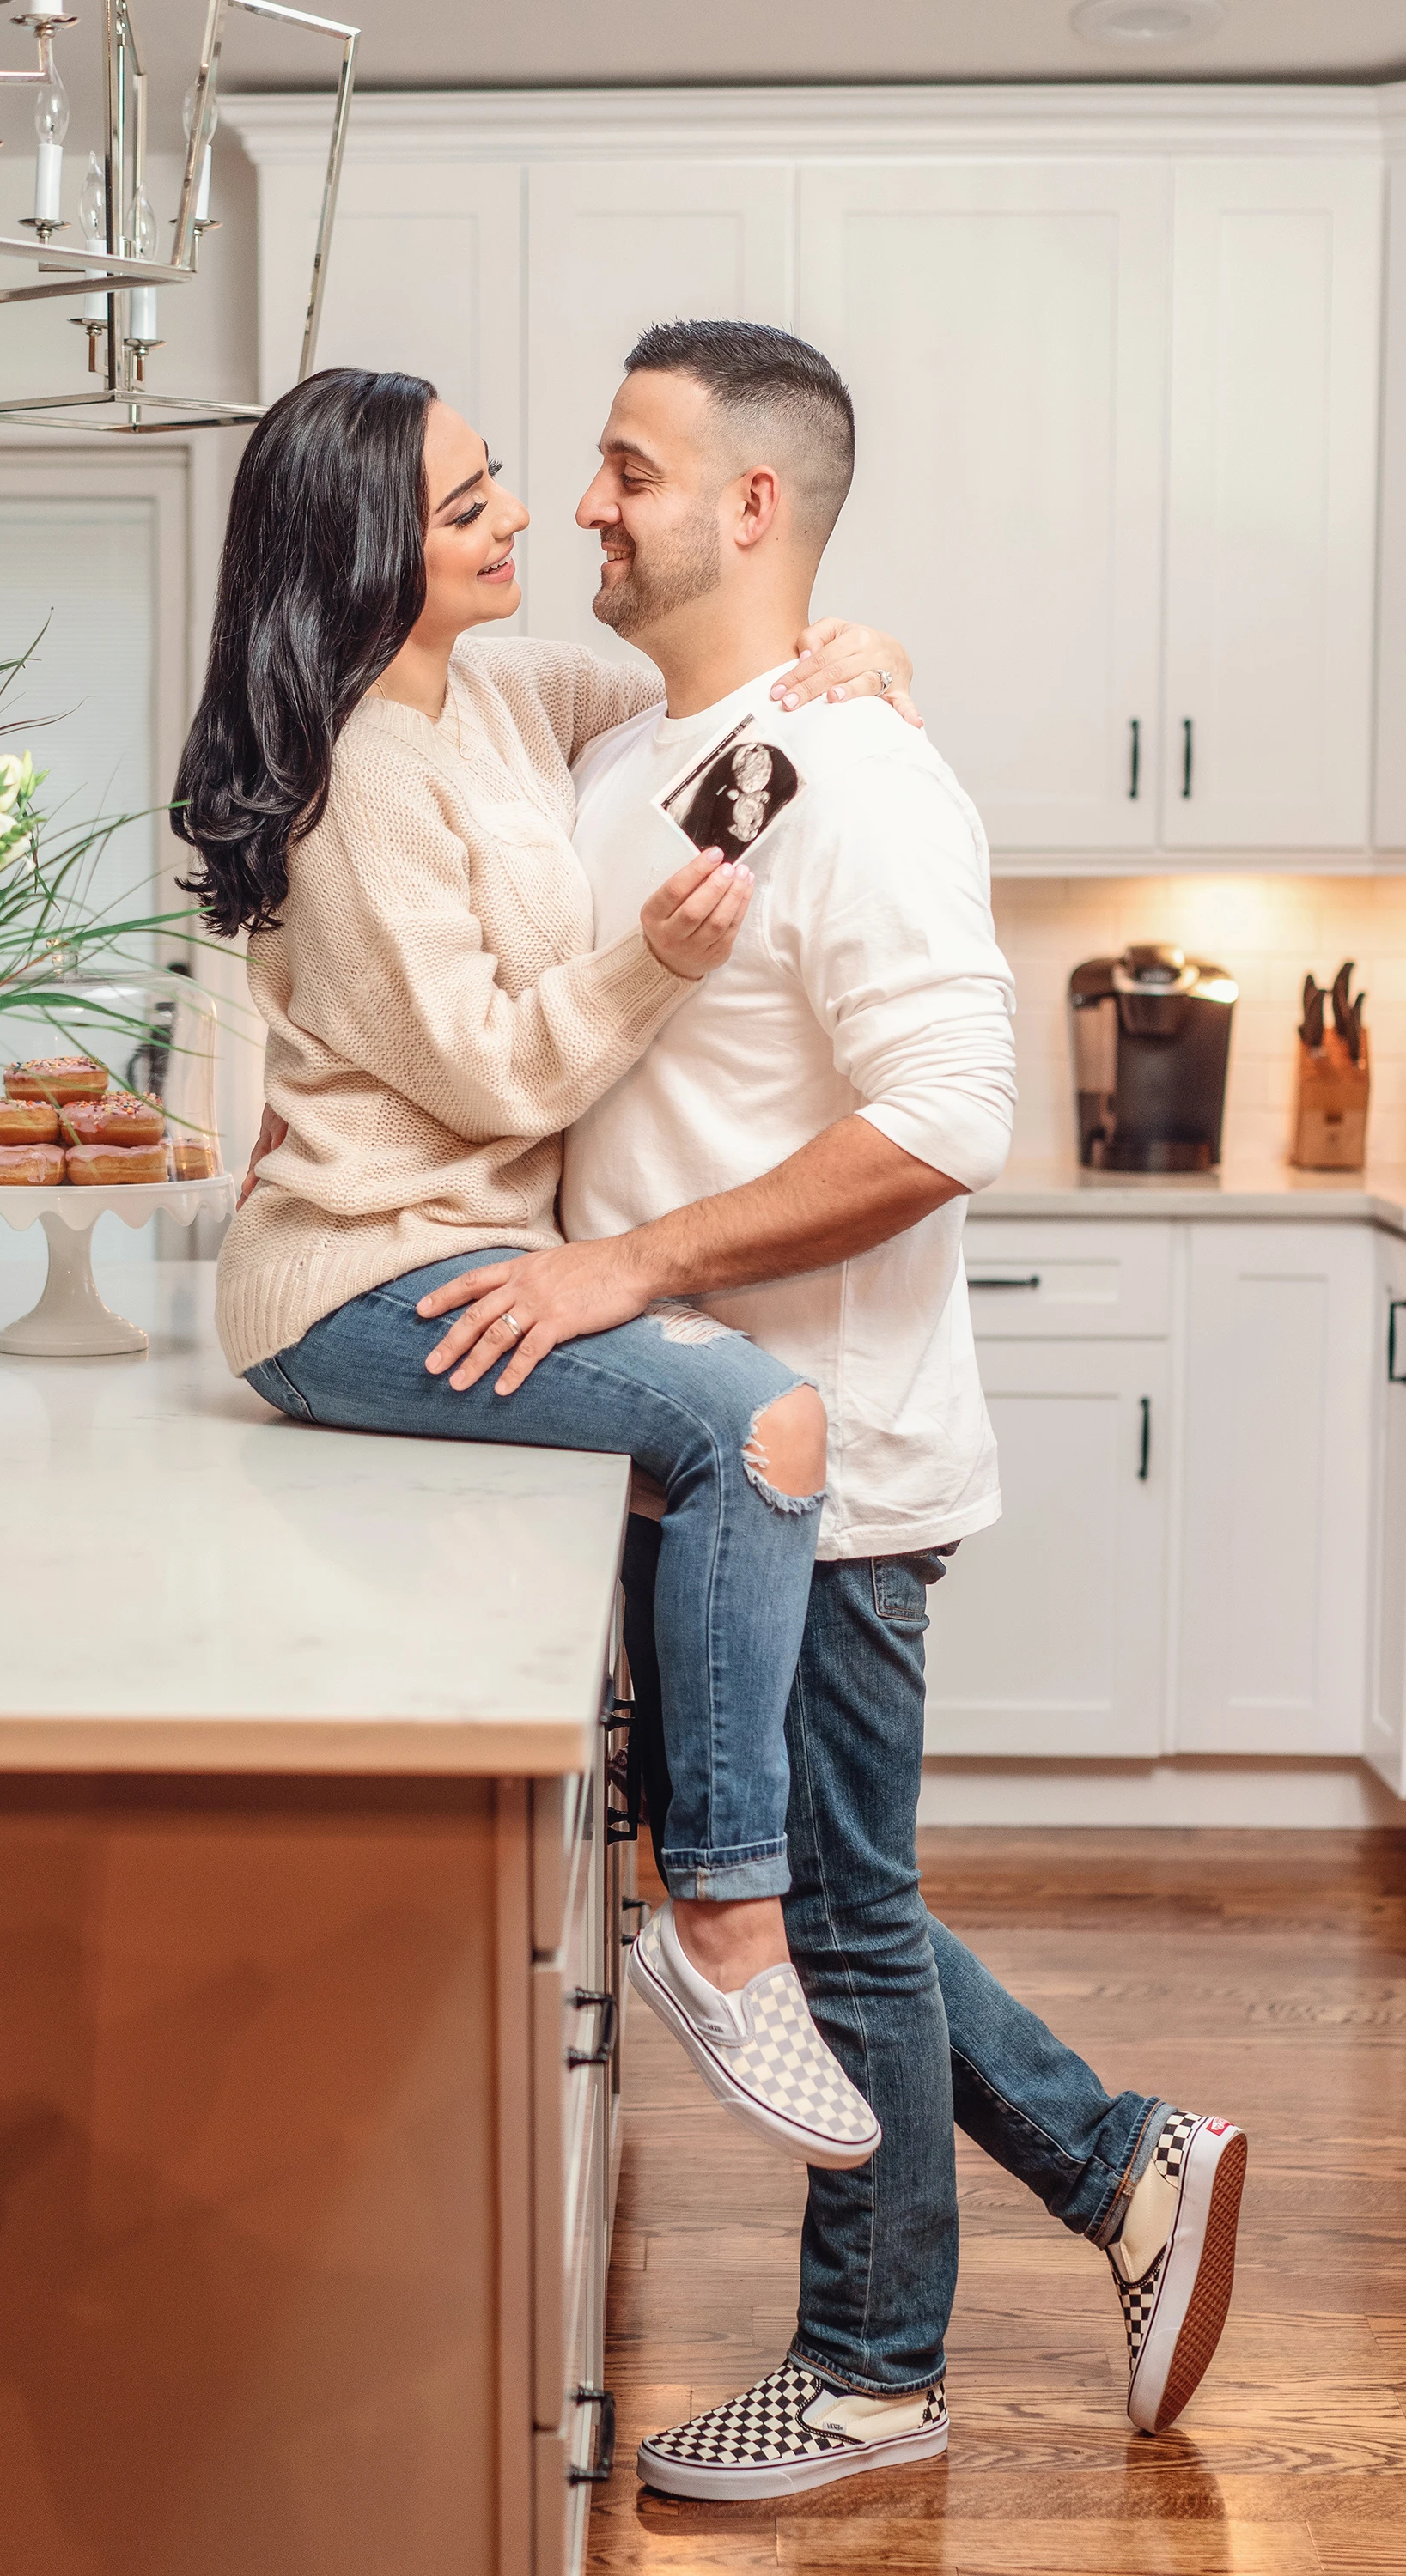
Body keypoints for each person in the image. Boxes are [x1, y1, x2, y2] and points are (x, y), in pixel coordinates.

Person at [414, 319, 1250, 2493]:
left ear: (749, 505)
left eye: (622, 466)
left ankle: (876, 2372)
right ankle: (1125, 2163)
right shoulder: (650, 748)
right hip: (696, 1459)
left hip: (825, 1462)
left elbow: (953, 1111)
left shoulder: (861, 778)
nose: (585, 503)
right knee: (803, 1890)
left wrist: (630, 1268)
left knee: (831, 1913)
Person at [173, 365, 922, 2170]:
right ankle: (725, 1923)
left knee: (747, 1437)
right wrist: (657, 958)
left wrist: (853, 653)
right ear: (370, 557)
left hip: (470, 1257)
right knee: (756, 1428)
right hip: (357, 1284)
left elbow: (698, 681)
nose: (519, 515)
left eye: (502, 480)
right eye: (468, 505)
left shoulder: (506, 695)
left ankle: (707, 1891)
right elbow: (499, 1066)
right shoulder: (355, 779)